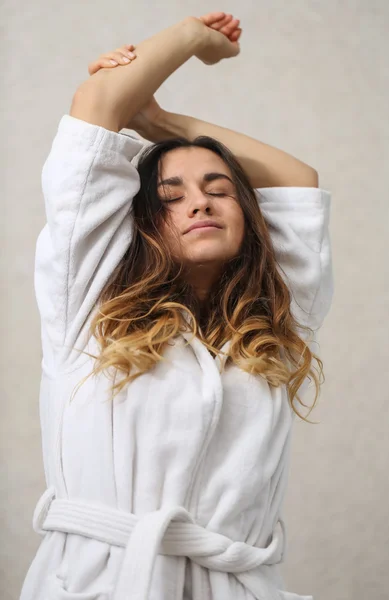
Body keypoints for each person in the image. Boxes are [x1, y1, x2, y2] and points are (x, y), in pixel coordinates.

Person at [20, 12, 333, 600]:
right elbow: (96, 103)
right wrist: (194, 37)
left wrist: (159, 121)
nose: (200, 203)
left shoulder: (275, 326)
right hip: (97, 585)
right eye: (172, 195)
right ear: (142, 224)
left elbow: (298, 180)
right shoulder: (87, 307)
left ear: (248, 216)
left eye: (219, 191)